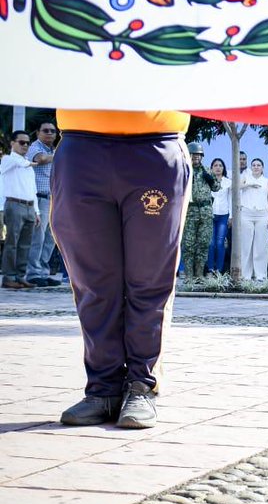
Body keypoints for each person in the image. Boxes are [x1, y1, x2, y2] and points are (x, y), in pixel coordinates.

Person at [55, 108, 191, 430]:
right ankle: (102, 390)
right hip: (81, 147)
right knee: (93, 283)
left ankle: (141, 386)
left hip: (156, 146)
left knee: (149, 280)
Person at [1, 131, 41, 290]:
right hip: (14, 205)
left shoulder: (27, 166)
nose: (25, 145)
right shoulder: (7, 160)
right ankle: (9, 277)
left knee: (25, 244)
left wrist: (37, 212)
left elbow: (33, 190)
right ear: (12, 143)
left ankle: (20, 276)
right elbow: (20, 163)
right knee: (12, 244)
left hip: (30, 206)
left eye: (27, 143)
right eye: (22, 142)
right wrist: (30, 163)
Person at [25, 122, 60, 287]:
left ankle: (43, 273)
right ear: (38, 132)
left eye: (53, 131)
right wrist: (61, 154)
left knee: (50, 239)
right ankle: (33, 273)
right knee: (37, 239)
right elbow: (41, 159)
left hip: (54, 199)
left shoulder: (53, 150)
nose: (50, 133)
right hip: (39, 199)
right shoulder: (34, 147)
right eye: (45, 130)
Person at [180, 142, 219, 279]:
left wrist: (211, 180)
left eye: (198, 155)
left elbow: (216, 187)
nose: (196, 157)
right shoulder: (183, 170)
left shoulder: (207, 170)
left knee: (203, 243)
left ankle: (199, 274)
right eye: (193, 155)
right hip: (190, 211)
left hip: (206, 210)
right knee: (189, 245)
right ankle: (189, 275)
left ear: (201, 156)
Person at [238, 158, 268, 281]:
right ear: (251, 167)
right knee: (246, 246)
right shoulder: (245, 176)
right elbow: (236, 187)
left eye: (259, 165)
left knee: (261, 246)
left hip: (262, 215)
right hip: (246, 213)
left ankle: (260, 275)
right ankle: (245, 275)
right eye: (254, 165)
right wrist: (249, 184)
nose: (256, 167)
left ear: (262, 167)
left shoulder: (266, 181)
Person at [205, 158, 232, 275]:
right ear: (211, 168)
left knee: (220, 243)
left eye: (220, 165)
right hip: (209, 215)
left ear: (223, 168)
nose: (218, 167)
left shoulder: (228, 182)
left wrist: (231, 216)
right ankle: (210, 269)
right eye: (215, 165)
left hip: (224, 215)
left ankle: (219, 270)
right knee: (210, 243)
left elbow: (231, 199)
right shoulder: (207, 181)